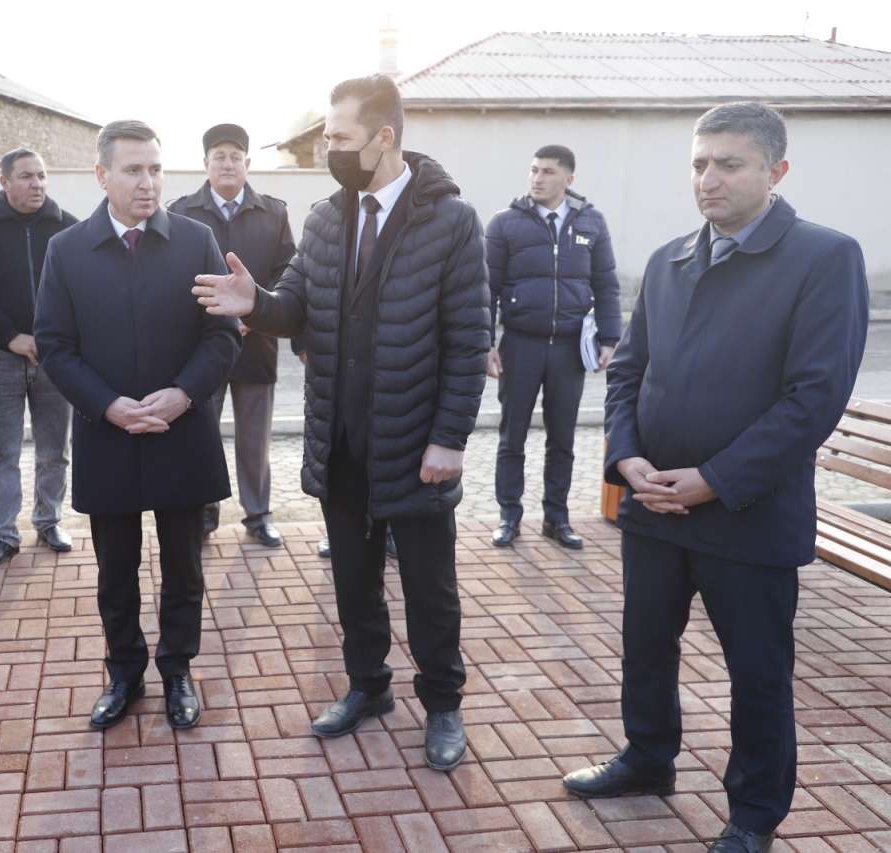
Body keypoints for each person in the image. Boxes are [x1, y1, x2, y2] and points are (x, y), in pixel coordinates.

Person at [562, 102, 868, 853]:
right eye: (699, 163)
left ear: (776, 169)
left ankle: (755, 813)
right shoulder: (669, 259)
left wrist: (716, 478)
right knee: (646, 646)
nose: (709, 178)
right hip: (654, 506)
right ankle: (648, 756)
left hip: (748, 512)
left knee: (756, 671)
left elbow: (814, 398)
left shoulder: (824, 257)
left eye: (729, 164)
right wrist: (626, 459)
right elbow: (628, 372)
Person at [193, 75, 490, 772]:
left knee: (430, 589)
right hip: (342, 440)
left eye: (339, 137)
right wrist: (255, 303)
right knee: (354, 582)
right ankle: (368, 685)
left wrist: (449, 438)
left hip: (416, 443)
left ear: (384, 137)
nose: (329, 148)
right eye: (328, 136)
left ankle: (443, 703)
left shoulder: (451, 221)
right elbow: (296, 305)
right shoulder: (328, 218)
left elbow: (469, 338)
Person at [36, 120, 240, 732]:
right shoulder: (67, 250)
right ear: (102, 175)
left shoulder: (196, 241)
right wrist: (108, 406)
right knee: (115, 571)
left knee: (185, 567)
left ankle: (177, 669)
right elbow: (54, 345)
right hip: (109, 434)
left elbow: (222, 335)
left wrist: (183, 394)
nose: (147, 182)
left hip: (182, 431)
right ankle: (124, 673)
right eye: (133, 170)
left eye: (155, 168)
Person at [486, 144, 621, 550]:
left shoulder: (591, 222)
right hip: (520, 345)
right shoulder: (505, 223)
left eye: (547, 171)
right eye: (533, 170)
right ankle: (509, 516)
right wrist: (485, 342)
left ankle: (556, 518)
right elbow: (486, 288)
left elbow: (606, 284)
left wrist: (610, 339)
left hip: (568, 350)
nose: (537, 178)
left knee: (562, 438)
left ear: (568, 178)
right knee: (512, 436)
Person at [169, 123, 295, 547]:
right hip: (202, 347)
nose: (227, 164)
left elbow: (287, 274)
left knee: (254, 438)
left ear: (247, 163)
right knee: (201, 435)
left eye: (235, 157)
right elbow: (173, 278)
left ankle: (258, 515)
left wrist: (255, 312)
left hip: (257, 342)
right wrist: (219, 318)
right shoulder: (181, 212)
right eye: (219, 156)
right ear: (205, 163)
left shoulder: (273, 212)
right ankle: (204, 512)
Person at [0, 147, 78, 569]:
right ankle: (4, 535)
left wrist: (54, 339)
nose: (36, 184)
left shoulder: (67, 227)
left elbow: (79, 288)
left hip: (53, 360)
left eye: (41, 175)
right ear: (4, 182)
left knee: (54, 450)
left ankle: (49, 521)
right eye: (26, 176)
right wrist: (12, 338)